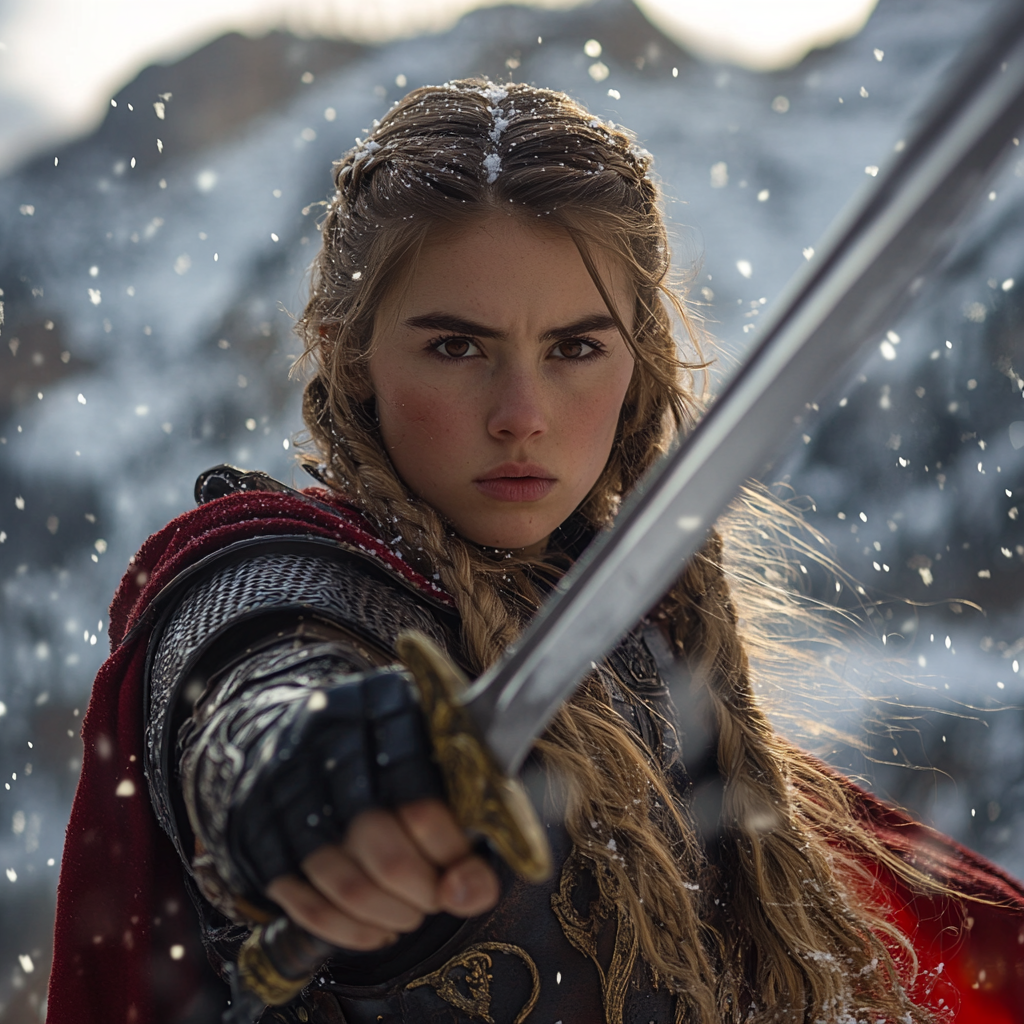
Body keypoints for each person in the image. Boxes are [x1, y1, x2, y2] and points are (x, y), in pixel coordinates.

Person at [48, 80, 1024, 1024]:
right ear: (353, 354)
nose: (521, 416)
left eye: (574, 349)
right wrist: (317, 777)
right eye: (456, 347)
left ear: (636, 355)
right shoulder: (278, 580)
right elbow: (251, 698)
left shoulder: (650, 614)